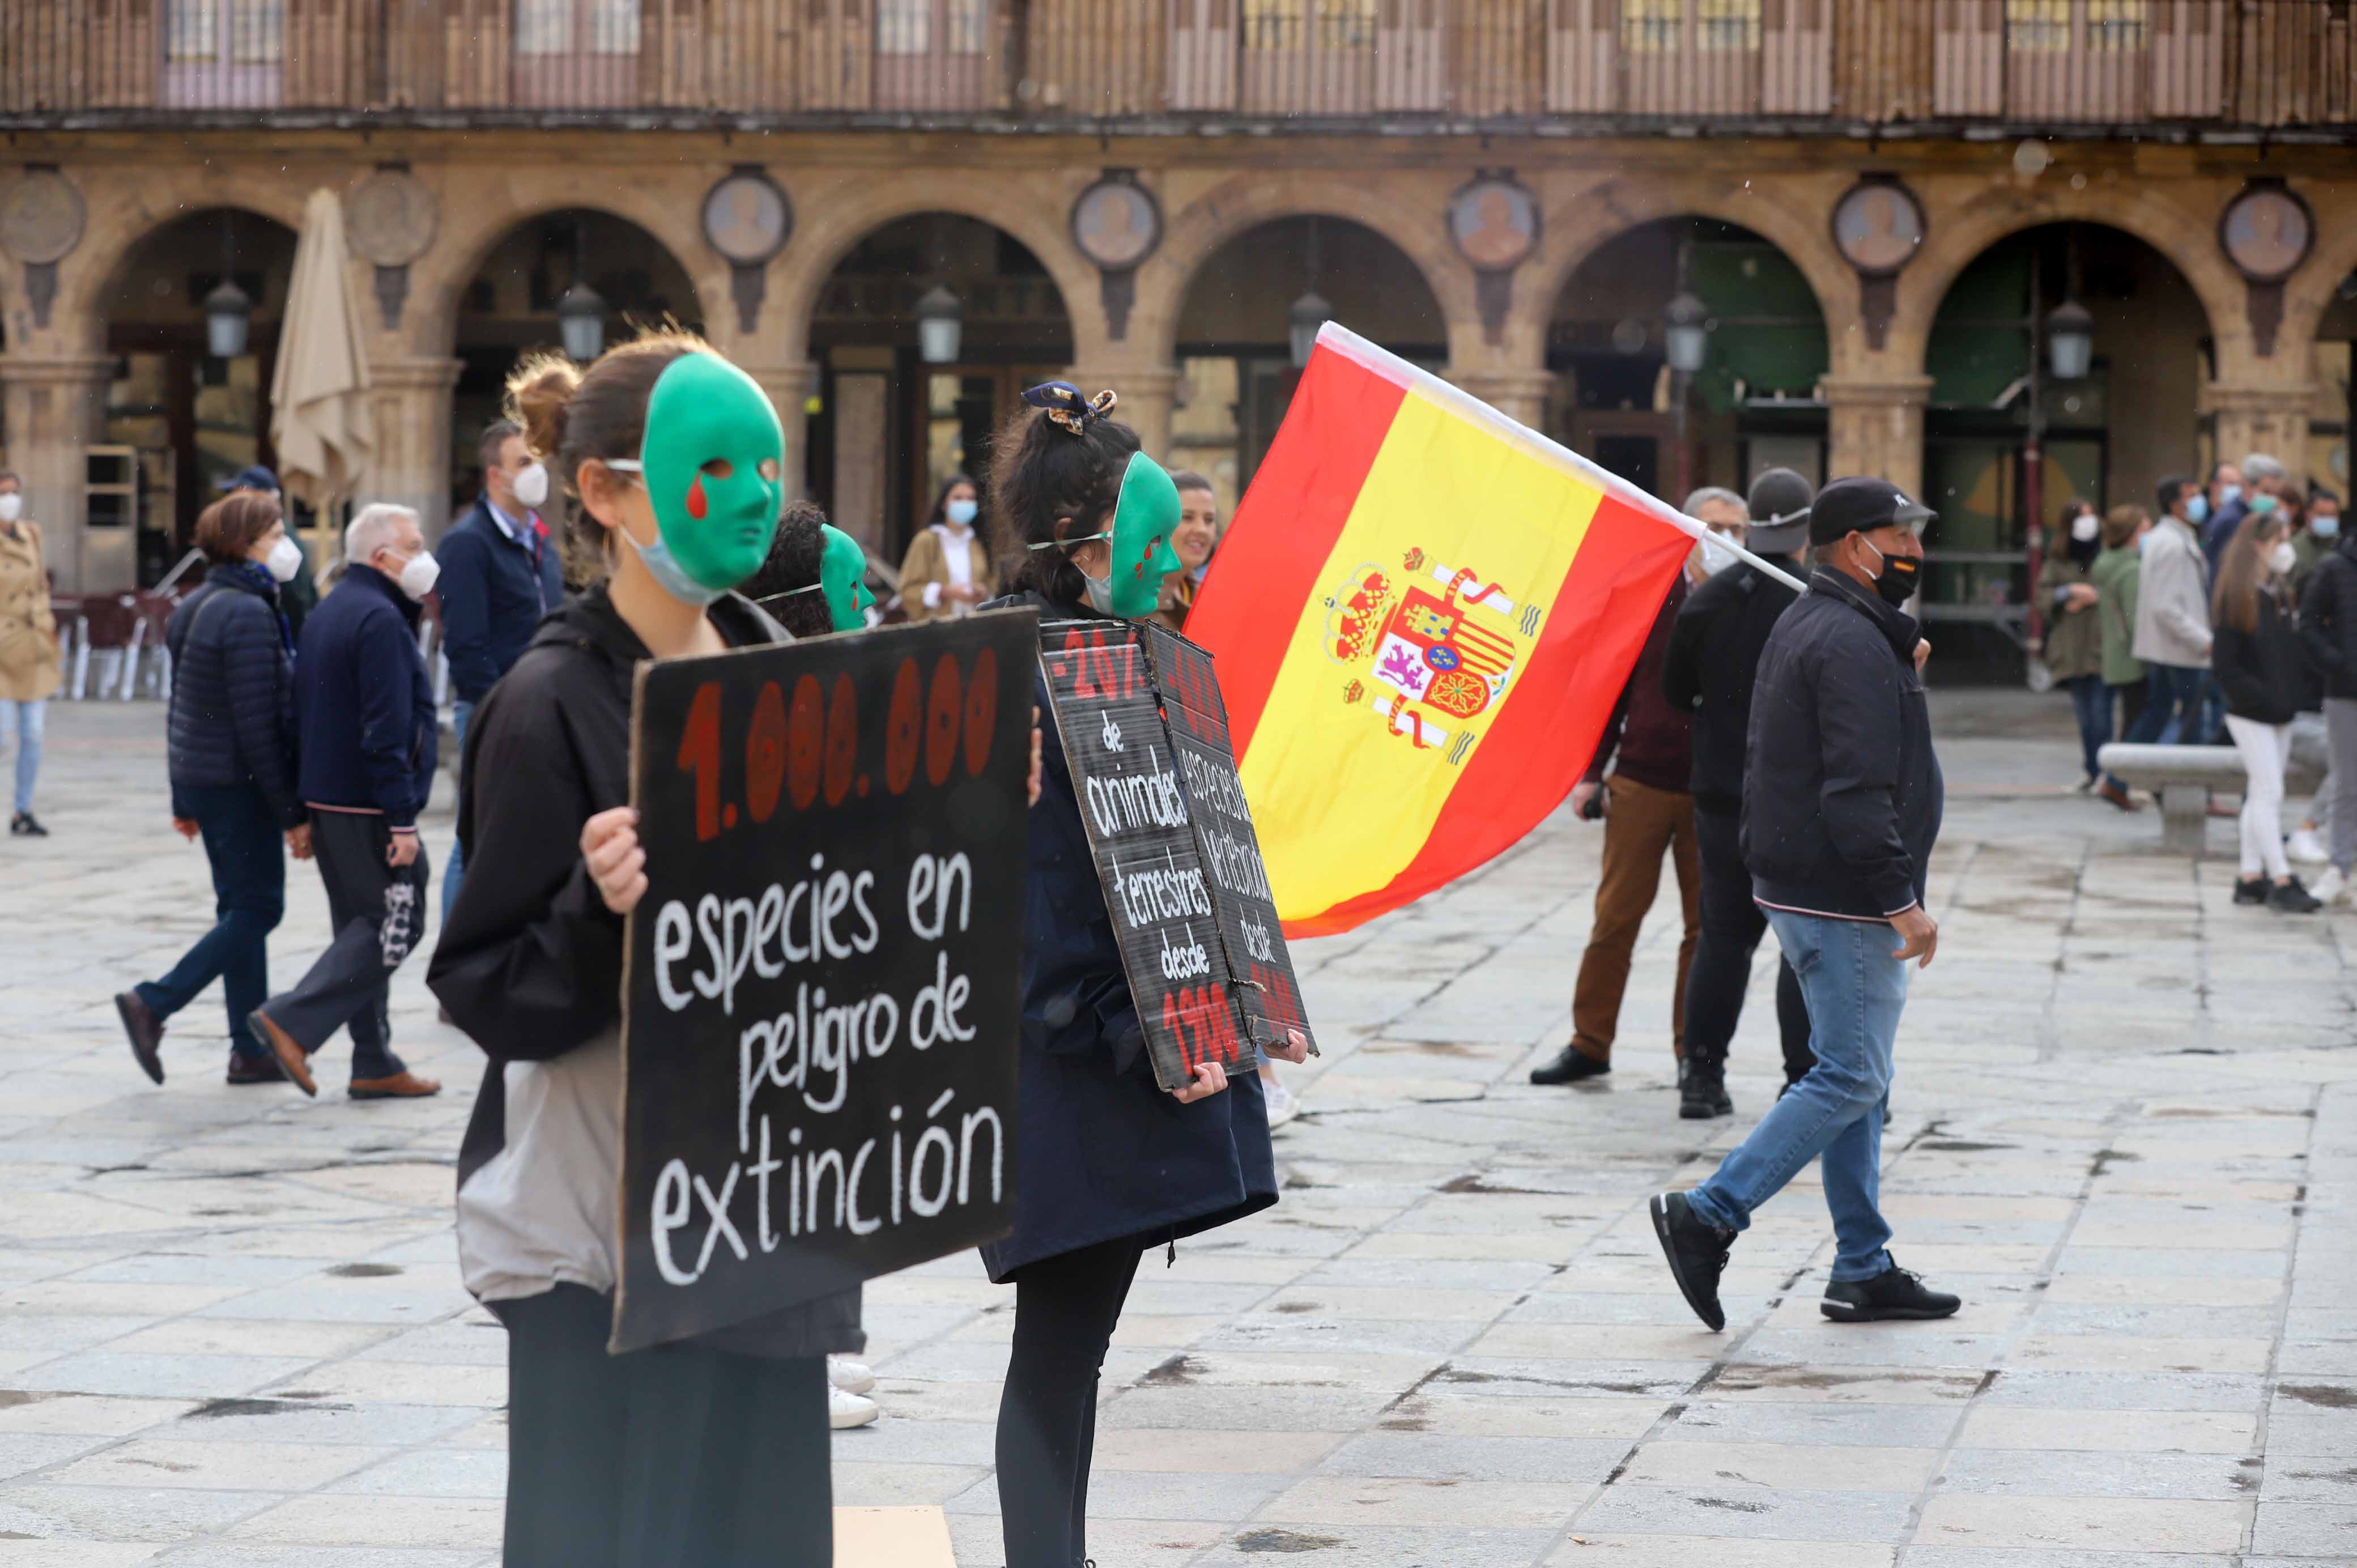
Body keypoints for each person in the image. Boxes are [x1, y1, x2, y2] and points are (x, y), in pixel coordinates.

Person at [428, 331, 863, 1567]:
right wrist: (592, 904)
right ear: (607, 493)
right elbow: (485, 990)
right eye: (713, 466)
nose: (753, 496)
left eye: (768, 468)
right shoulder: (546, 701)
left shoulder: (778, 666)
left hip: (763, 1226)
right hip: (605, 1251)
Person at [982, 380, 1309, 1568]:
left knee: (1073, 1343)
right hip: (1071, 1061)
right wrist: (1143, 1034)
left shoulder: (1110, 650)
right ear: (1077, 539)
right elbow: (1040, 903)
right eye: (1153, 536)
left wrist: (1234, 999)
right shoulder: (1020, 671)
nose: (1175, 561)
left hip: (1117, 1055)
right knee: (1060, 1343)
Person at [1651, 477, 1959, 1333]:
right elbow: (1855, 789)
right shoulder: (1849, 641)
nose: (1915, 554)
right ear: (1855, 546)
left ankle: (1862, 1265)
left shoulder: (1831, 624)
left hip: (1810, 884)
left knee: (1863, 1078)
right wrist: (1902, 900)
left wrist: (1904, 660)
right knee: (1851, 1074)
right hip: (1846, 896)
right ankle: (1710, 1214)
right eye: (1901, 538)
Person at [1527, 487, 1724, 1104]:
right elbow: (1611, 686)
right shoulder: (1655, 592)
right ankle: (1590, 1042)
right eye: (1714, 525)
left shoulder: (1751, 601)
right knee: (1614, 918)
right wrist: (1592, 771)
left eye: (1738, 528)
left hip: (1712, 791)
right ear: (1689, 530)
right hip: (1639, 777)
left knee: (1705, 930)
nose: (1727, 538)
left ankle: (1694, 1053)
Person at [246, 504, 445, 1101]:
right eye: (414, 543)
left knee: (360, 928)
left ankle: (373, 1057)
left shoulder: (334, 608)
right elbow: (387, 730)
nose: (424, 553)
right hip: (368, 804)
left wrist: (303, 807)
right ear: (383, 556)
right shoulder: (380, 619)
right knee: (395, 922)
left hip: (332, 800)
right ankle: (291, 1021)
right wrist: (403, 818)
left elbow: (299, 714)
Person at [113, 491, 309, 1085]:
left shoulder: (199, 603)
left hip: (209, 779)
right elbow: (258, 725)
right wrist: (290, 812)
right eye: (275, 534)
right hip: (239, 782)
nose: (286, 545)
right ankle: (154, 1001)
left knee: (238, 909)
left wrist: (183, 797)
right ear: (245, 542)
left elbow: (183, 711)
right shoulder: (247, 613)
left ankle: (248, 1050)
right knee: (258, 908)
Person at [1659, 468, 1816, 1114]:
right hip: (1799, 799)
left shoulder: (1709, 600)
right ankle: (1802, 1078)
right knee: (1801, 942)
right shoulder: (1820, 603)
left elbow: (1677, 692)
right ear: (1806, 532)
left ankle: (1701, 1075)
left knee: (1724, 936)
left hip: (1722, 792)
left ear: (1752, 525)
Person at [435, 419, 566, 928]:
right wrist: (497, 707)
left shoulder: (538, 538)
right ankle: (453, 970)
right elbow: (466, 643)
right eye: (524, 463)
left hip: (542, 706)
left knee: (526, 835)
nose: (537, 473)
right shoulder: (469, 543)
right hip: (493, 709)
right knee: (478, 837)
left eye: (537, 461)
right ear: (495, 476)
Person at [2213, 511, 2322, 913]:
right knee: (2270, 792)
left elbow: (2286, 655)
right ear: (2258, 545)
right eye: (2279, 540)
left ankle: (2250, 876)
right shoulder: (2235, 595)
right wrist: (2266, 699)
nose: (2286, 548)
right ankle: (2280, 877)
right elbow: (2227, 666)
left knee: (2260, 793)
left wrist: (2294, 696)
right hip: (2251, 711)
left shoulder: (2275, 590)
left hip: (2279, 710)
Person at [2299, 492, 2357, 906]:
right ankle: (2340, 866)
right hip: (2346, 692)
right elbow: (2308, 623)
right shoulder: (2336, 567)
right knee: (2346, 782)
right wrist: (2336, 663)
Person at [2125, 476, 2214, 748]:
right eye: (2191, 496)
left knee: (2160, 714)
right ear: (2174, 505)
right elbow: (2165, 606)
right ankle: (2189, 784)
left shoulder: (2173, 538)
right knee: (2191, 721)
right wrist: (2203, 641)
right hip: (2181, 649)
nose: (2199, 501)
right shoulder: (2171, 543)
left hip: (2172, 646)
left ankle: (2118, 779)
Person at [0, 471, 60, 837]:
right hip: (1, 649)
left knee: (34, 733)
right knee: (2, 737)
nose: (10, 499)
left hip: (34, 643)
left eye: (14, 492)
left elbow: (39, 586)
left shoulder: (30, 534)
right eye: (3, 493)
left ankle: (23, 811)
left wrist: (46, 623)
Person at [2040, 499, 2109, 793]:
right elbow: (2042, 598)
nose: (2089, 521)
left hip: (2102, 643)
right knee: (2085, 714)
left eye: (2091, 515)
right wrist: (2067, 592)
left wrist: (2095, 595)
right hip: (2071, 646)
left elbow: (2123, 590)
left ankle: (2107, 772)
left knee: (2101, 711)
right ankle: (2092, 770)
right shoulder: (2058, 559)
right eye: (2082, 517)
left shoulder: (2107, 552)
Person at [2087, 503, 2149, 809]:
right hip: (2133, 657)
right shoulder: (2132, 569)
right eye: (2145, 526)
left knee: (2132, 720)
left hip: (2116, 652)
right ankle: (2117, 782)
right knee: (2139, 722)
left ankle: (2117, 782)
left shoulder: (2106, 562)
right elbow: (2137, 619)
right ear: (2133, 533)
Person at [217, 465, 319, 638]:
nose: (234, 502)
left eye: (239, 493)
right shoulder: (279, 529)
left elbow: (295, 597)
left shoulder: (276, 533)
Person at [898, 473, 994, 622]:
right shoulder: (927, 541)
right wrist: (945, 592)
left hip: (973, 630)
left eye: (970, 499)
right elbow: (908, 591)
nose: (965, 503)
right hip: (937, 631)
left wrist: (982, 592)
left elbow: (992, 586)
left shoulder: (978, 543)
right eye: (958, 498)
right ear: (944, 504)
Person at [1152, 470, 1221, 633]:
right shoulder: (1137, 604)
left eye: (1209, 520)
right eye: (1188, 517)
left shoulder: (1207, 598)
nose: (1202, 530)